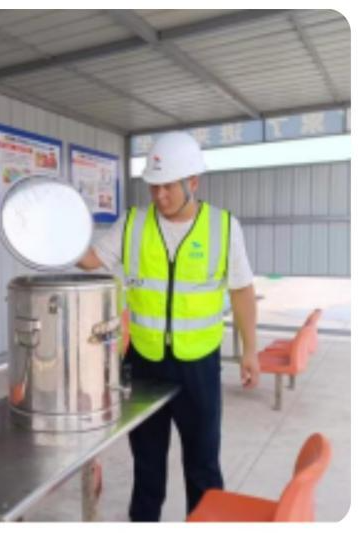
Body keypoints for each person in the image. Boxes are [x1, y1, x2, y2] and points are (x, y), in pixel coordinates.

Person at [77, 131, 259, 521]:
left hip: (199, 367)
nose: (159, 196)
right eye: (154, 187)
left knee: (203, 466)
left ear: (193, 181)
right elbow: (91, 259)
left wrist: (250, 351)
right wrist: (56, 236)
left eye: (168, 187)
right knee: (147, 467)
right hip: (144, 363)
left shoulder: (223, 227)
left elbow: (242, 291)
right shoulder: (133, 223)